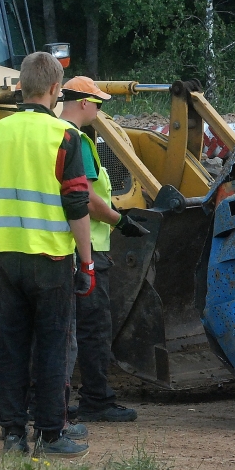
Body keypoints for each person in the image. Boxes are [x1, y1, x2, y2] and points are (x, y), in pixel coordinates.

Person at [0, 51, 94, 458]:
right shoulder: (65, 136)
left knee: (12, 345)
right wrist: (87, 261)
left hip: (8, 259)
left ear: (22, 86)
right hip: (52, 261)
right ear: (56, 90)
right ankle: (50, 432)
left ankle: (12, 433)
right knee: (51, 346)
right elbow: (77, 205)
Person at [57, 76, 145, 423]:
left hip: (66, 246)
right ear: (82, 103)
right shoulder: (77, 141)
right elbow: (89, 199)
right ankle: (96, 398)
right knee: (93, 328)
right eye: (97, 103)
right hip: (88, 248)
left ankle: (57, 398)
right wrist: (119, 221)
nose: (99, 109)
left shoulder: (56, 135)